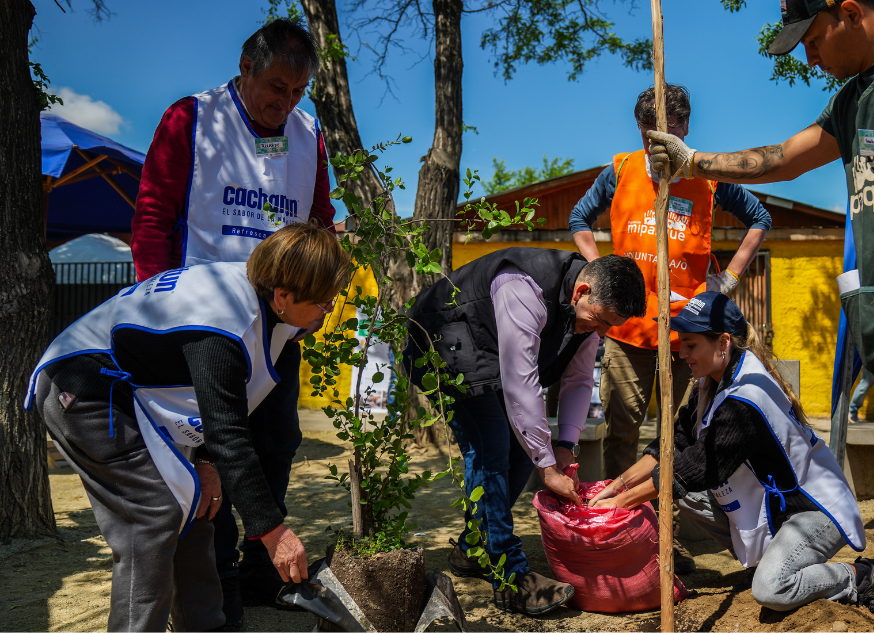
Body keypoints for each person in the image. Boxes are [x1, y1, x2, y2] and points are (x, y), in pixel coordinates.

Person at [645, 1, 874, 630]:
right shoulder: (855, 100)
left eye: (813, 38)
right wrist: (695, 163)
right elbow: (784, 157)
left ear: (849, 11)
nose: (808, 55)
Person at [27, 223, 352, 632]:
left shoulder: (262, 302)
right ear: (284, 296)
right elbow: (228, 434)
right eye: (324, 303)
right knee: (153, 516)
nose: (328, 312)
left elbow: (223, 413)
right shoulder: (222, 323)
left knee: (197, 511)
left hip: (133, 396)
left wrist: (208, 467)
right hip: (82, 390)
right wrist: (273, 533)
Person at [129, 18, 336, 625]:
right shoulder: (191, 119)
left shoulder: (307, 135)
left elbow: (320, 217)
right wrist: (153, 307)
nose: (284, 103)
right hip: (202, 327)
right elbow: (151, 216)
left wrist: (315, 301)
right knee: (215, 451)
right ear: (246, 67)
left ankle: (256, 571)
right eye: (275, 86)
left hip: (278, 327)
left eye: (297, 93)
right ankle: (213, 587)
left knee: (276, 444)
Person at [587, 292, 874, 622]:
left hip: (812, 510)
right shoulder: (711, 383)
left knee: (771, 590)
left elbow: (689, 471)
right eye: (681, 343)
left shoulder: (745, 400)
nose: (682, 354)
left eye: (691, 345)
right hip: (772, 507)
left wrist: (619, 505)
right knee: (691, 498)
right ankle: (769, 560)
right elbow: (673, 445)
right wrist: (617, 486)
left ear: (723, 341)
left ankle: (859, 576)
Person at [404, 248, 646, 616]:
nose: (600, 332)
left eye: (608, 326)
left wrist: (564, 446)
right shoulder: (523, 287)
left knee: (521, 452)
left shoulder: (589, 314)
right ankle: (511, 577)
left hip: (490, 353)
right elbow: (521, 383)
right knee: (491, 448)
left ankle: (472, 548)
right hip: (446, 344)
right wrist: (547, 469)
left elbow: (579, 380)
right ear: (580, 292)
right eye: (599, 320)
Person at [571, 84, 772, 486]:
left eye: (670, 132)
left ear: (685, 126)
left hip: (687, 334)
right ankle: (624, 521)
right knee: (622, 433)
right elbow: (580, 219)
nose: (659, 142)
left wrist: (729, 278)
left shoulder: (708, 176)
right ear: (639, 128)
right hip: (627, 333)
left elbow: (760, 218)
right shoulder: (621, 171)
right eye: (649, 133)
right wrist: (600, 277)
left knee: (680, 434)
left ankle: (670, 527)